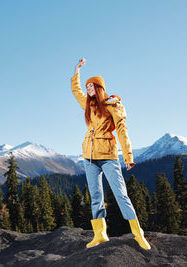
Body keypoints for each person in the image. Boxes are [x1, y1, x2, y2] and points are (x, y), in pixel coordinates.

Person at [71, 58, 151, 250]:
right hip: (89, 157)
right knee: (96, 196)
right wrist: (77, 71)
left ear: (99, 88)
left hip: (108, 156)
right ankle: (100, 234)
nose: (88, 89)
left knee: (121, 195)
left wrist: (128, 157)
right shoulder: (88, 105)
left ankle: (138, 234)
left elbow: (123, 132)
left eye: (92, 86)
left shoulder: (113, 105)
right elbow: (76, 91)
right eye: (87, 86)